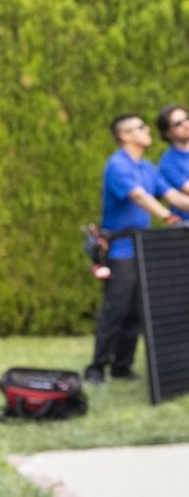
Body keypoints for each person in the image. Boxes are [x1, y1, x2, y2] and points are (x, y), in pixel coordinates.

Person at [84, 114, 189, 385]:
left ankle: (122, 365)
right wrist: (168, 217)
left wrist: (176, 209)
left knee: (137, 310)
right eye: (140, 128)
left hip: (142, 247)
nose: (146, 131)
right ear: (125, 135)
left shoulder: (148, 168)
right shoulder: (117, 165)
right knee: (115, 308)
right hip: (119, 249)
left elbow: (175, 197)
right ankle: (96, 367)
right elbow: (139, 196)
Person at [157, 104, 189, 220]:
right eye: (178, 124)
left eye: (187, 119)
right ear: (167, 133)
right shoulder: (168, 163)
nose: (186, 125)